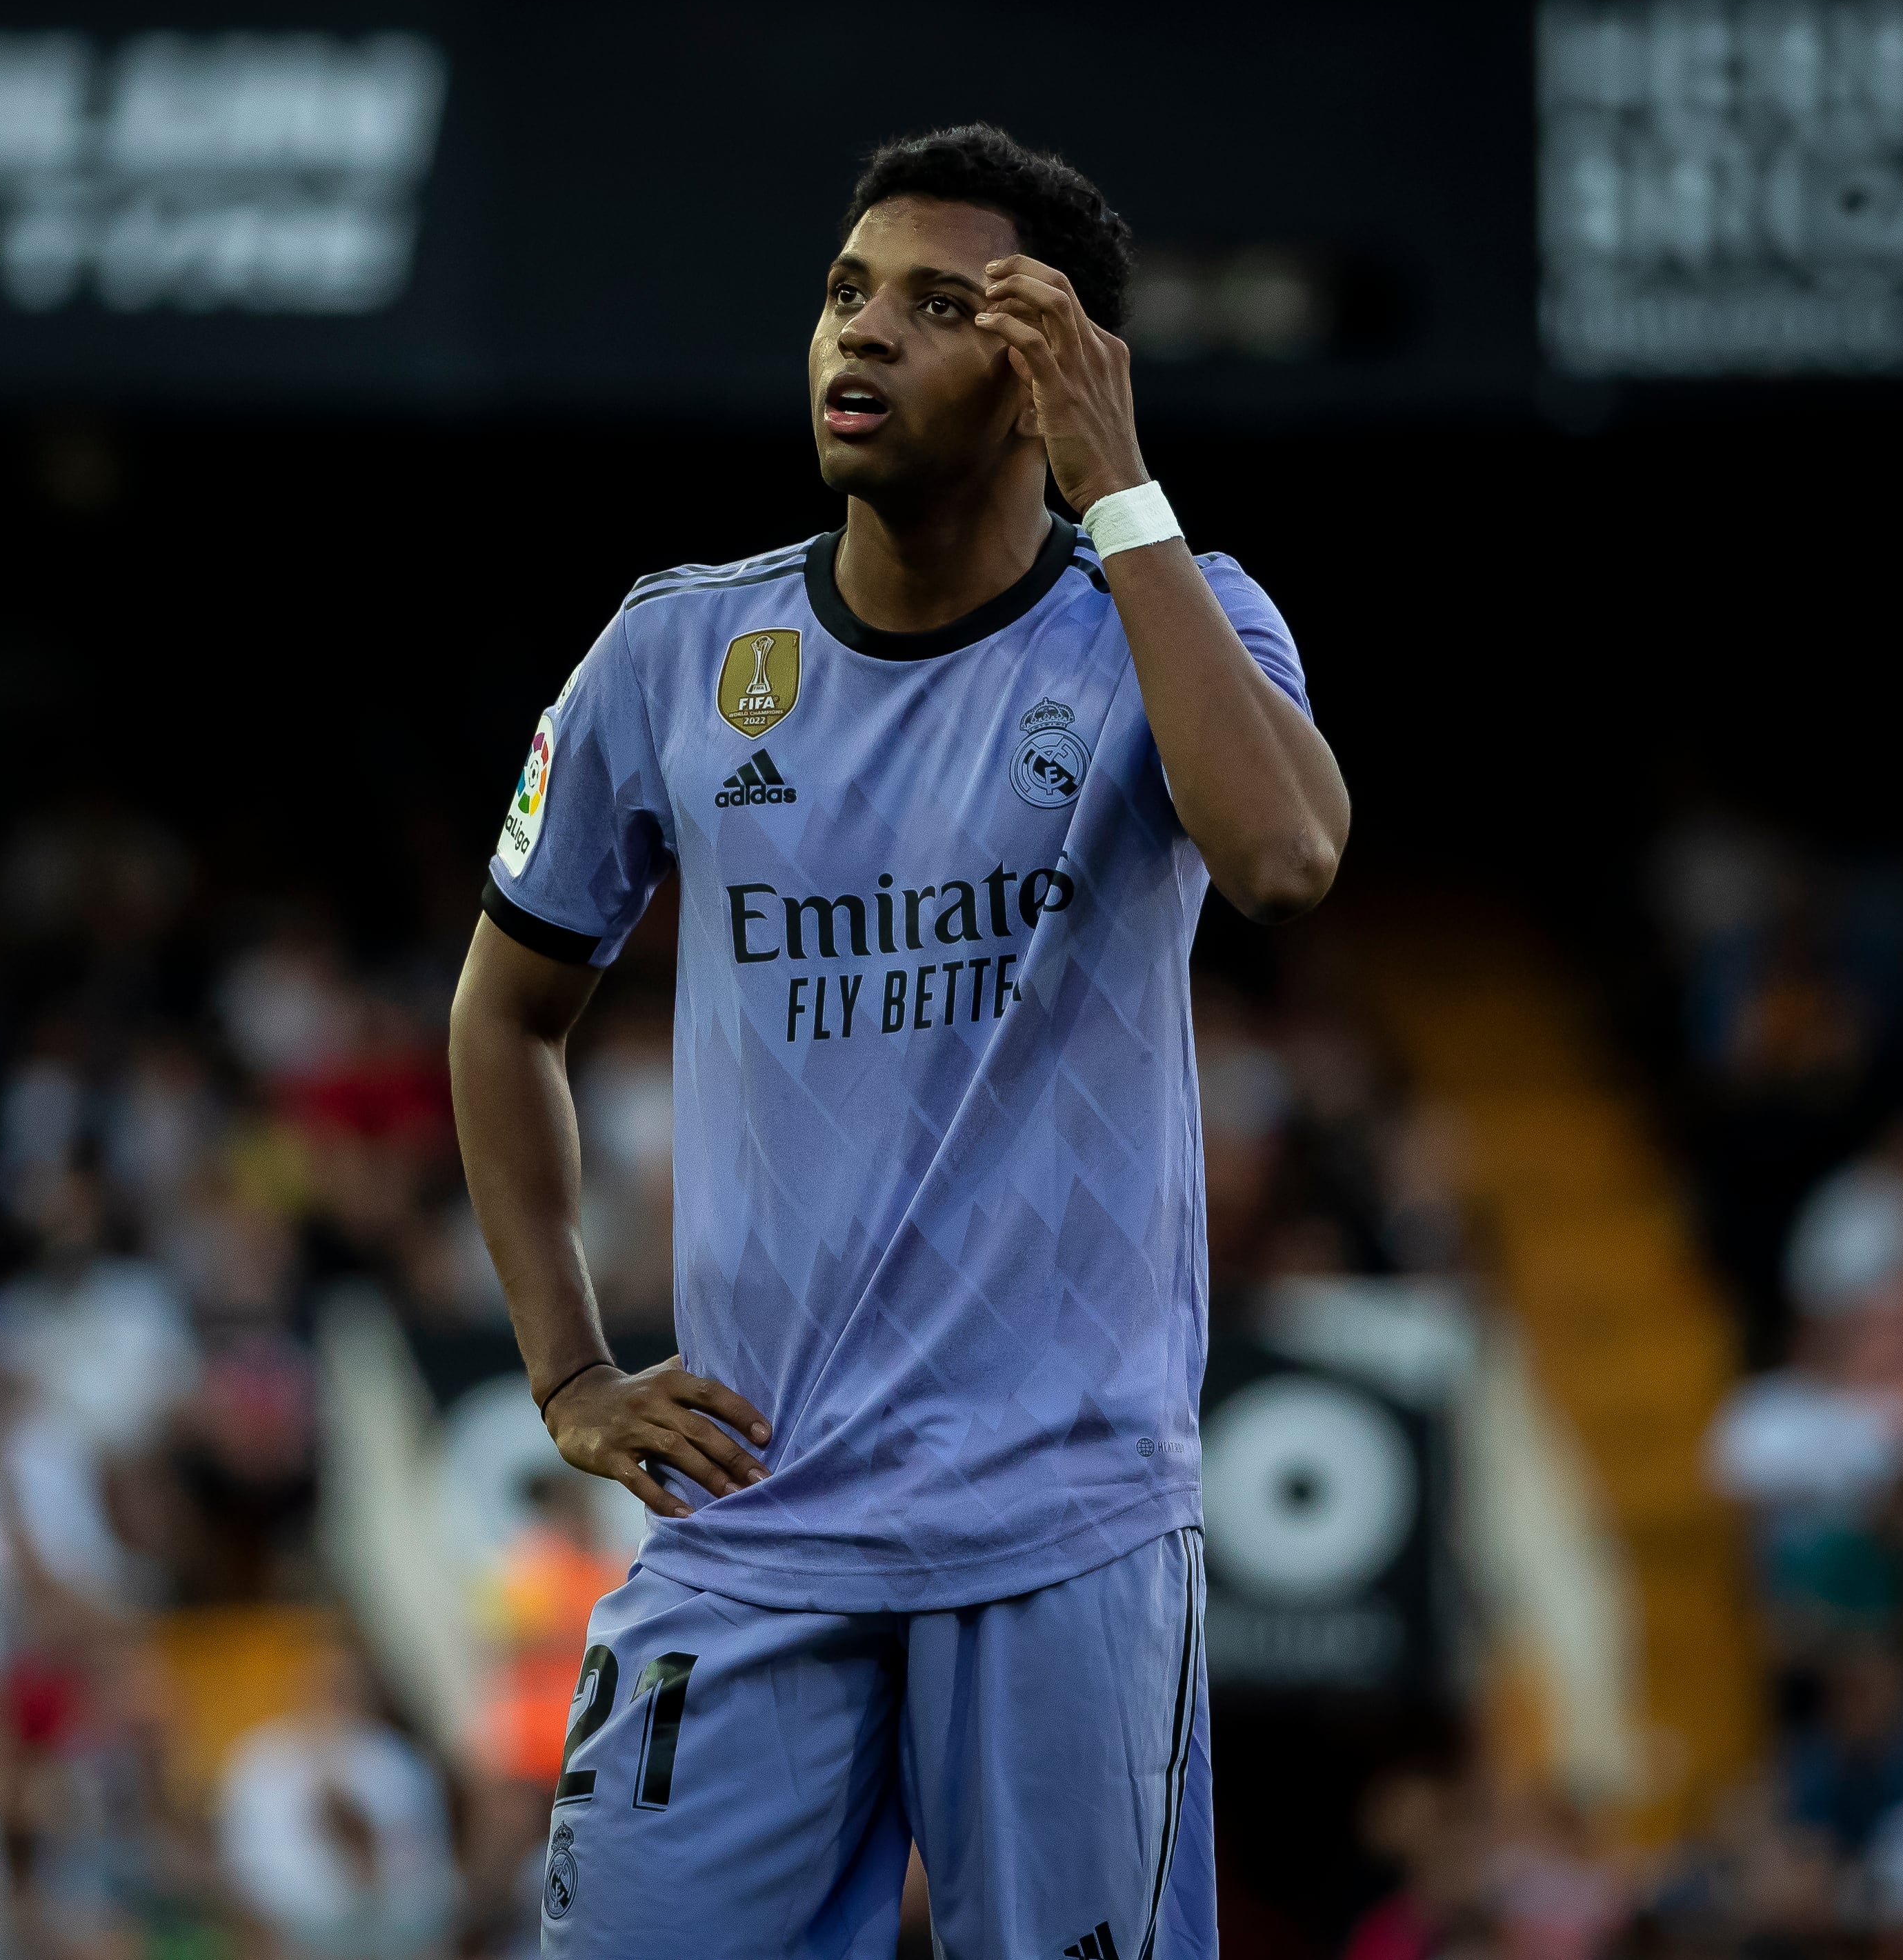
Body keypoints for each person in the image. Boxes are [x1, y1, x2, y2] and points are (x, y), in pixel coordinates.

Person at [448, 123, 1348, 1959]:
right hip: (754, 1522)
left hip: (1065, 1527)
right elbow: (502, 1013)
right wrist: (567, 1375)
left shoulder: (1160, 619)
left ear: (1047, 376)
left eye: (939, 310)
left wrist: (1124, 494)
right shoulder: (673, 655)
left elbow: (1282, 854)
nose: (857, 339)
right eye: (846, 294)